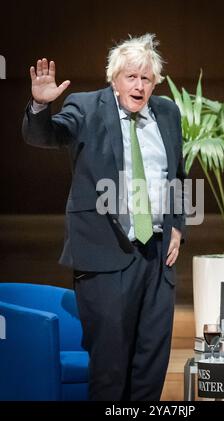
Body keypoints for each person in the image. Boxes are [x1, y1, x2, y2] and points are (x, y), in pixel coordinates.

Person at [22, 33, 185, 401]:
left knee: (151, 363)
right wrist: (38, 106)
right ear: (114, 77)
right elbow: (46, 136)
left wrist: (178, 224)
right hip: (104, 252)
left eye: (146, 78)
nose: (139, 85)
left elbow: (177, 173)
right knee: (110, 368)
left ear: (155, 83)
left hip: (158, 257)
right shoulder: (86, 106)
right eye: (131, 76)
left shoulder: (168, 113)